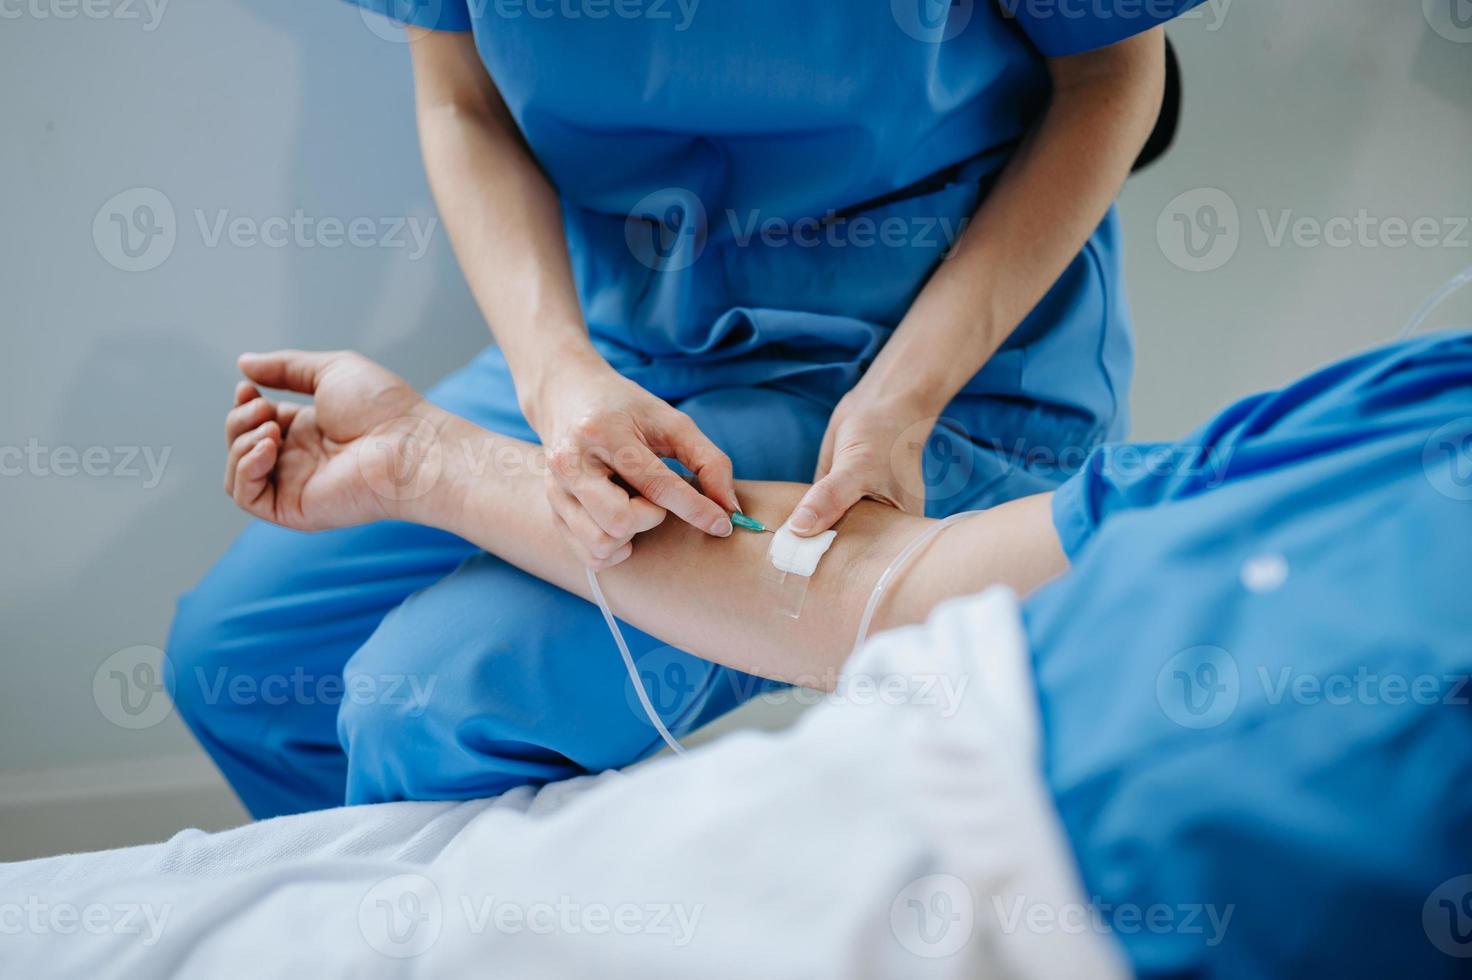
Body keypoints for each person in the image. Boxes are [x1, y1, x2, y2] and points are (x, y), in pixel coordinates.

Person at [15, 332, 1463, 978]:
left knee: (419, 705)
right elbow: (889, 583)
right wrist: (430, 463)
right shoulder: (1408, 406)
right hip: (819, 810)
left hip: (1027, 922)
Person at [168, 0, 1208, 816]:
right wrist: (558, 375)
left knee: (430, 702)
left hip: (913, 366)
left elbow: (1115, 69)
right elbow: (457, 96)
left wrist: (902, 398)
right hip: (616, 348)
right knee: (237, 660)